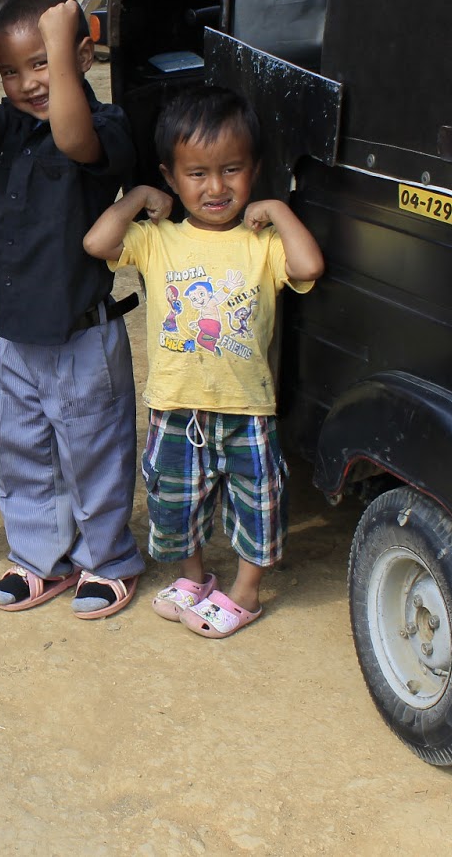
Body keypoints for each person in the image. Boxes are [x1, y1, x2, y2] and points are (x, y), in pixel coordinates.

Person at [83, 85, 324, 638]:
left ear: (254, 170)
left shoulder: (262, 244)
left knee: (257, 504)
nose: (216, 188)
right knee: (175, 501)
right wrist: (138, 195)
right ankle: (192, 578)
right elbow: (98, 243)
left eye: (232, 170)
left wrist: (279, 209)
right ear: (171, 176)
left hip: (246, 409)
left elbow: (309, 266)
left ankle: (245, 593)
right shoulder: (157, 239)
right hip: (175, 407)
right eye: (197, 173)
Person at [0, 0, 146, 618]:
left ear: (81, 57)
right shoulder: (8, 128)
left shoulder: (103, 125)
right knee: (24, 454)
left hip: (82, 336)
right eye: (11, 70)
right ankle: (39, 557)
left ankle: (107, 560)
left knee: (94, 455)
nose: (28, 82)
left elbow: (72, 136)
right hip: (15, 337)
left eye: (42, 63)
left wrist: (61, 50)